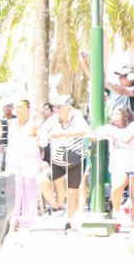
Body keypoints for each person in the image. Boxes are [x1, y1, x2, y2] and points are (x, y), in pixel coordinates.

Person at [92, 104, 134, 235]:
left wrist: (111, 132)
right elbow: (96, 134)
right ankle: (117, 211)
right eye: (113, 113)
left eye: (118, 113)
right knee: (117, 188)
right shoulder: (109, 128)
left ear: (125, 115)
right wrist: (95, 135)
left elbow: (126, 138)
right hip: (118, 164)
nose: (114, 116)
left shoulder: (132, 126)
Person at [39, 94, 89, 232]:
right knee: (43, 180)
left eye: (59, 107)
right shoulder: (53, 120)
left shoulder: (77, 117)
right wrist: (43, 140)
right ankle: (56, 205)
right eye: (55, 107)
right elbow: (43, 132)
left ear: (68, 108)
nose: (56, 110)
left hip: (76, 160)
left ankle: (69, 221)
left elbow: (86, 131)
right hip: (57, 161)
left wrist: (64, 134)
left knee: (73, 192)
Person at [5, 99, 42, 230]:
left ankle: (28, 221)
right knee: (14, 190)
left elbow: (41, 142)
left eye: (21, 107)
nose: (18, 109)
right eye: (17, 107)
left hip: (29, 159)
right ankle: (13, 219)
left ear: (28, 108)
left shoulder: (34, 124)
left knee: (29, 189)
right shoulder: (11, 123)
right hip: (13, 158)